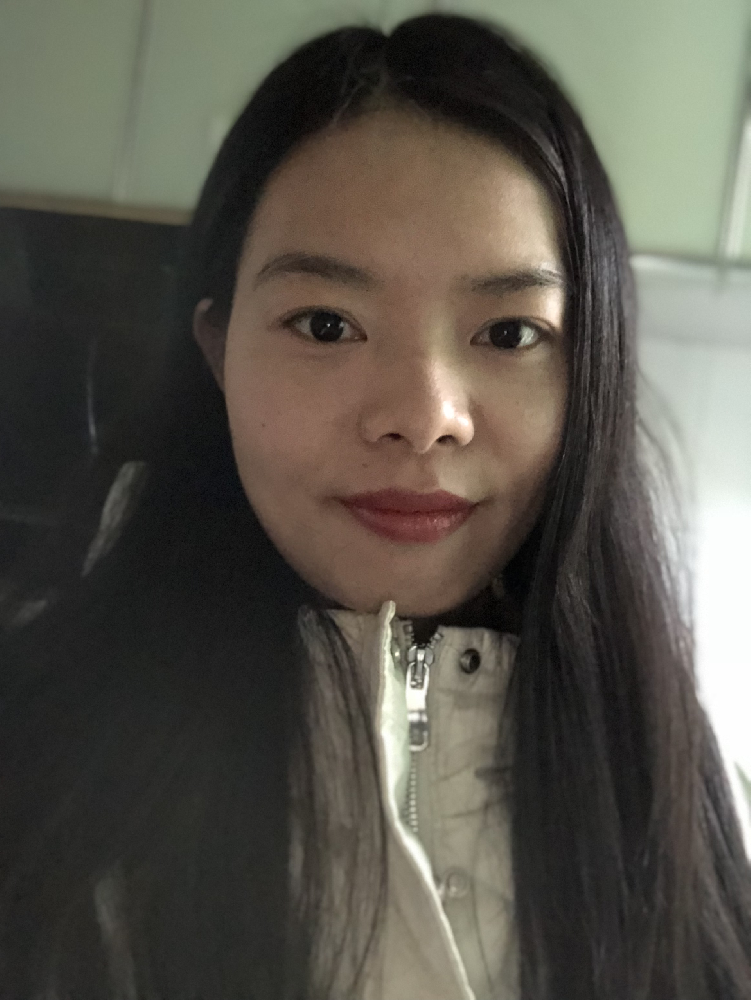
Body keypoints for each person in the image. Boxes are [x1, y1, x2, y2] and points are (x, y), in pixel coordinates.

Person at [1, 12, 750, 1000]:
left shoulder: (678, 786)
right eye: (326, 323)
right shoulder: (35, 749)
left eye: (509, 333)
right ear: (219, 351)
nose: (423, 417)